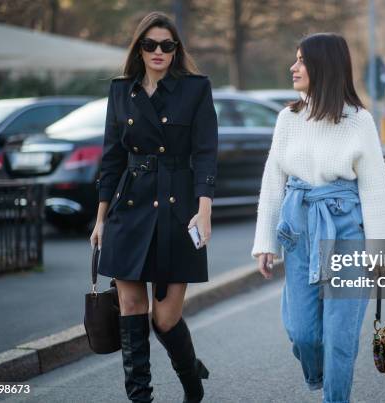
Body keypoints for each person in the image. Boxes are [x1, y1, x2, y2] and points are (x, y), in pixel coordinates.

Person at [251, 32, 385, 403]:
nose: (293, 67)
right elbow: (272, 181)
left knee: (340, 339)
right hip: (298, 228)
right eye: (295, 59)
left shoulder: (359, 121)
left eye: (301, 60)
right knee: (304, 334)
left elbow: (375, 189)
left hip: (347, 229)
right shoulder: (288, 118)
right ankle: (320, 375)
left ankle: (335, 396)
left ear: (324, 66)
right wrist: (265, 242)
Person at [89, 11, 217, 403]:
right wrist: (99, 220)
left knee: (164, 318)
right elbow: (111, 159)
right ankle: (140, 397)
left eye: (166, 45)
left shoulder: (194, 89)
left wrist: (205, 208)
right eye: (150, 44)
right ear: (139, 49)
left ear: (175, 49)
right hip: (129, 207)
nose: (158, 51)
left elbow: (206, 153)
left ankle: (190, 379)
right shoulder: (120, 90)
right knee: (130, 305)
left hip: (178, 209)